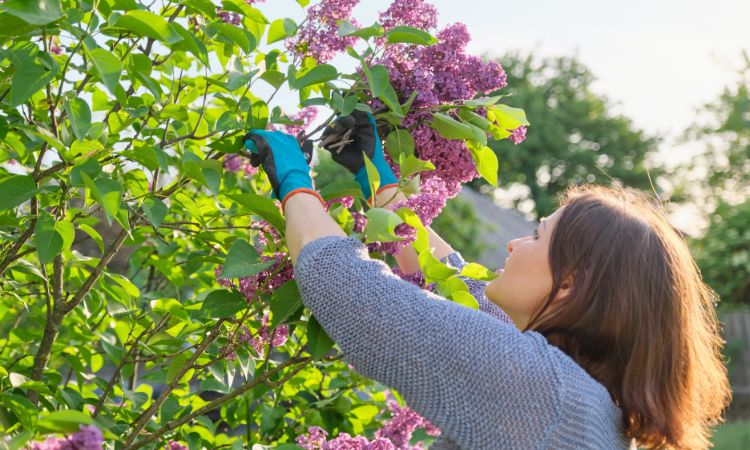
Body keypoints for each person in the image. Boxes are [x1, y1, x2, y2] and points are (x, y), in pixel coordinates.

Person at [243, 111, 731, 449]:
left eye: (537, 238)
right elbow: (463, 293)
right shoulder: (581, 399)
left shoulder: (542, 392)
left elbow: (351, 289)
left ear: (571, 284)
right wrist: (380, 184)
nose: (515, 245)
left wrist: (291, 177)